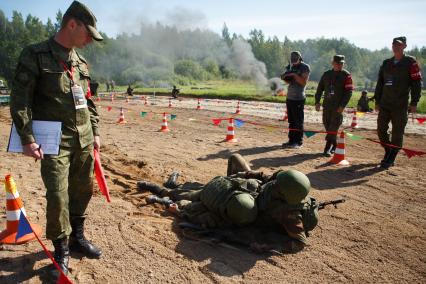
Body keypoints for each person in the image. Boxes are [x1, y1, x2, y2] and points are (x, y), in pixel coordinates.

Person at [9, 1, 103, 279]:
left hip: (84, 139)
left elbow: (90, 102)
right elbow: (20, 99)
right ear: (72, 24)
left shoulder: (80, 62)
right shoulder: (35, 55)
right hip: (54, 141)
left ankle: (77, 237)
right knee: (58, 195)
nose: (90, 40)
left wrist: (95, 133)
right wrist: (26, 137)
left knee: (83, 189)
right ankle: (61, 250)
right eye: (88, 33)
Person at [137, 154, 318, 253]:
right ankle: (173, 187)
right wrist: (240, 178)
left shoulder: (289, 214)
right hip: (244, 192)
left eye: (278, 184)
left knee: (192, 200)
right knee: (209, 182)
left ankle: (161, 190)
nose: (275, 181)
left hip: (239, 210)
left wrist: (270, 246)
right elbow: (265, 177)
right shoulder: (284, 187)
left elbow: (299, 243)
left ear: (284, 194)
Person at [373, 36, 422, 169]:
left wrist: (414, 102)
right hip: (385, 103)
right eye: (394, 44)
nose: (396, 47)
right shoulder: (386, 63)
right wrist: (377, 100)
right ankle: (389, 151)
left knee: (397, 132)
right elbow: (380, 83)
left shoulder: (410, 62)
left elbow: (416, 83)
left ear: (404, 46)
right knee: (381, 130)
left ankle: (391, 157)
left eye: (399, 45)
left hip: (400, 105)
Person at [315, 55, 354, 157]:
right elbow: (319, 89)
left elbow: (349, 92)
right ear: (333, 63)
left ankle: (327, 148)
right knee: (327, 126)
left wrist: (342, 106)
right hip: (327, 106)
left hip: (338, 107)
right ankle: (335, 145)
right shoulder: (326, 74)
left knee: (333, 127)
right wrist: (317, 102)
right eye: (337, 63)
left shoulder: (346, 75)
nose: (340, 65)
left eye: (341, 63)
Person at [280, 51, 310, 149]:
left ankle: (298, 142)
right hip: (290, 97)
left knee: (298, 121)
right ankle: (291, 140)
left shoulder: (304, 67)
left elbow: (303, 82)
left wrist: (294, 75)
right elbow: (284, 78)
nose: (293, 60)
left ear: (300, 58)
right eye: (292, 58)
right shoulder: (290, 66)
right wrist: (287, 76)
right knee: (291, 121)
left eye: (295, 58)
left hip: (298, 98)